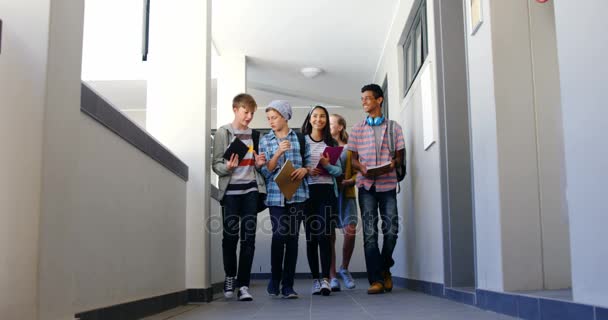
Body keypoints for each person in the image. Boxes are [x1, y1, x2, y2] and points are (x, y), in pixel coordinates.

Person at [348, 84, 405, 294]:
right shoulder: (356, 129)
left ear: (379, 100)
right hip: (366, 186)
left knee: (391, 231)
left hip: (388, 184)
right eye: (362, 98)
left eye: (367, 98)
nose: (363, 101)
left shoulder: (394, 128)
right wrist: (361, 167)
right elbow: (353, 159)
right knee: (370, 234)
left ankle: (384, 267)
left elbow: (400, 156)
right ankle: (377, 280)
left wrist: (392, 164)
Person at [212, 93, 267, 301]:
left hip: (251, 191)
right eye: (246, 112)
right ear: (235, 109)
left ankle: (243, 284)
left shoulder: (256, 136)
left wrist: (259, 164)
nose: (249, 116)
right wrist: (227, 167)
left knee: (249, 239)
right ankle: (230, 277)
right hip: (231, 193)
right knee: (230, 237)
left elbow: (257, 165)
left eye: (252, 113)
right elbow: (215, 164)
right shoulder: (223, 132)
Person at [259, 100, 310, 299]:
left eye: (274, 117)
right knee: (279, 236)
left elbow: (308, 164)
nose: (271, 122)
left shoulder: (299, 138)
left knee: (293, 240)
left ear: (285, 117)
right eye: (269, 118)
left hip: (297, 195)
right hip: (275, 195)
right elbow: (266, 170)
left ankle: (288, 285)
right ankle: (275, 279)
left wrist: (304, 170)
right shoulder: (265, 140)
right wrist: (279, 152)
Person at [300, 106, 342, 296]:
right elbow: (295, 166)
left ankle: (326, 279)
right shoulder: (301, 142)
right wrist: (308, 169)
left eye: (322, 116)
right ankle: (316, 280)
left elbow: (338, 171)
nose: (319, 119)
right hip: (308, 192)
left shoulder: (331, 143)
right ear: (309, 119)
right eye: (315, 116)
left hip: (326, 192)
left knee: (325, 235)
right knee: (311, 237)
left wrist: (326, 165)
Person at [328, 113, 357, 291]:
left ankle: (344, 268)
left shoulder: (350, 148)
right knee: (329, 236)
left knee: (351, 230)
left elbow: (359, 170)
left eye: (331, 123)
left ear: (340, 127)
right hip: (329, 196)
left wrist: (352, 181)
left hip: (347, 195)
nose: (328, 126)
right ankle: (332, 276)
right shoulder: (322, 147)